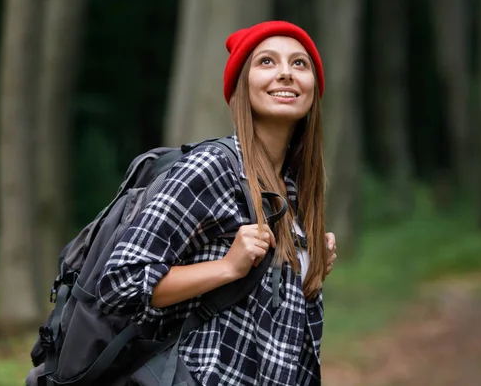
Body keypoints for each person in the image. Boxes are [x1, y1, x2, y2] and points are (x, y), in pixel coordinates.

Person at [97, 20, 337, 386]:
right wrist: (227, 267)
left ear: (313, 89)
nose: (286, 73)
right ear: (242, 85)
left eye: (299, 64)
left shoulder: (292, 191)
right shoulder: (212, 167)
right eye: (267, 62)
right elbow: (119, 283)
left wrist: (309, 269)